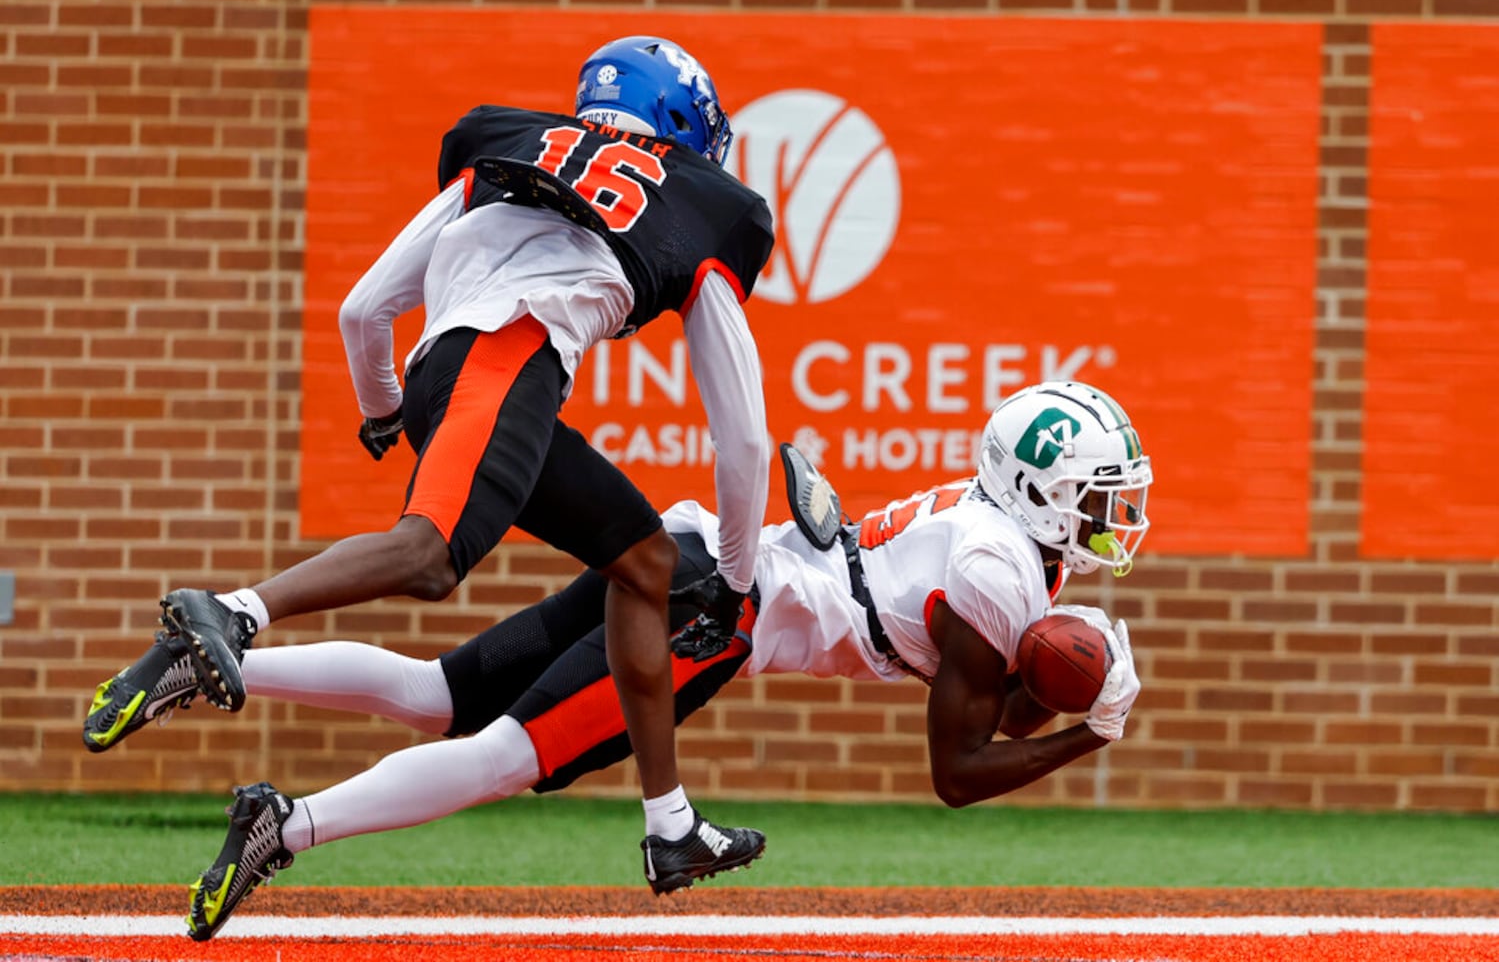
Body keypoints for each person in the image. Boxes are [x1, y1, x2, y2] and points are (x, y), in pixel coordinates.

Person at [82, 35, 775, 897]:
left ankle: (671, 827)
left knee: (644, 562)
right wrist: (740, 577)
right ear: (682, 122)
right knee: (428, 557)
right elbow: (743, 436)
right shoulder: (709, 203)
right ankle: (229, 610)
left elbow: (364, 308)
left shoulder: (506, 144)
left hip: (438, 371)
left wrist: (381, 409)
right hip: (509, 359)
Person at [91, 380, 1153, 941]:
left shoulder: (990, 531)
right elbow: (957, 771)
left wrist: (1055, 696)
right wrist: (1090, 729)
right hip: (709, 612)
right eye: (1103, 493)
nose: (1119, 513)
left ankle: (215, 648)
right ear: (1044, 493)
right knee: (502, 754)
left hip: (684, 551)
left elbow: (990, 700)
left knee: (438, 694)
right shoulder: (997, 568)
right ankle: (289, 823)